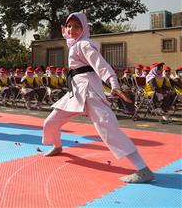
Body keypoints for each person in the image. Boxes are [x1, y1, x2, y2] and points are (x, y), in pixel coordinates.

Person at [42, 12, 154, 183]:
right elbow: (69, 37)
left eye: (77, 26)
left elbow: (101, 65)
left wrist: (114, 84)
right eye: (69, 26)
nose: (71, 30)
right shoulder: (75, 43)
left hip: (90, 92)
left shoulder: (85, 45)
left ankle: (143, 169)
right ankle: (57, 146)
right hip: (75, 92)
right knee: (50, 122)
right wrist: (65, 32)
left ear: (85, 29)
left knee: (108, 128)